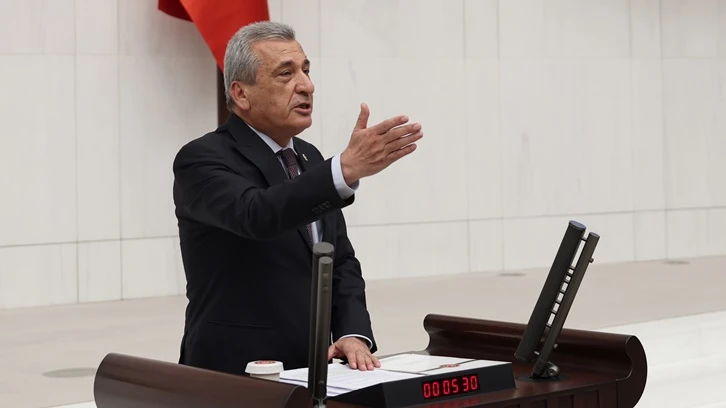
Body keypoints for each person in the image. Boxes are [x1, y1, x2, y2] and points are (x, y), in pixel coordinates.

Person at [172, 21, 423, 376]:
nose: (306, 85)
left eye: (306, 70)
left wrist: (352, 333)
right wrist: (343, 170)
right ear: (241, 94)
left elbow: (339, 259)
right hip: (233, 374)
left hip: (316, 369)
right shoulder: (202, 159)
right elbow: (257, 215)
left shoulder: (310, 159)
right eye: (286, 73)